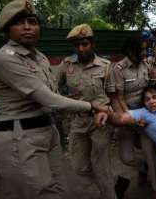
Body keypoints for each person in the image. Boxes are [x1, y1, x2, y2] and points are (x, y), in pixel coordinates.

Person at [0, 0, 109, 199]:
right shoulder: (4, 58)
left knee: (61, 191)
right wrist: (91, 106)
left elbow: (55, 94)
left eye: (32, 21)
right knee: (42, 193)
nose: (27, 27)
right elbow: (48, 98)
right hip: (21, 136)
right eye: (19, 22)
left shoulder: (40, 58)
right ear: (7, 29)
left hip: (49, 130)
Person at [57, 23, 117, 198]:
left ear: (93, 44)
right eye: (77, 45)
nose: (81, 48)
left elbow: (113, 96)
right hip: (77, 121)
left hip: (100, 122)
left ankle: (109, 194)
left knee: (101, 167)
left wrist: (109, 112)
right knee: (79, 167)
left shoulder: (106, 66)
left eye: (85, 44)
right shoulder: (66, 65)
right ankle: (112, 184)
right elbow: (54, 90)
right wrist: (66, 100)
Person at [110, 37, 156, 199]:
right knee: (126, 157)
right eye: (141, 50)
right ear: (130, 51)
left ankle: (155, 187)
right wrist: (130, 117)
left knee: (149, 153)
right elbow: (119, 98)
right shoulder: (118, 69)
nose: (145, 53)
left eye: (146, 49)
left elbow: (151, 90)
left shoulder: (146, 65)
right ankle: (141, 168)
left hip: (146, 117)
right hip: (127, 116)